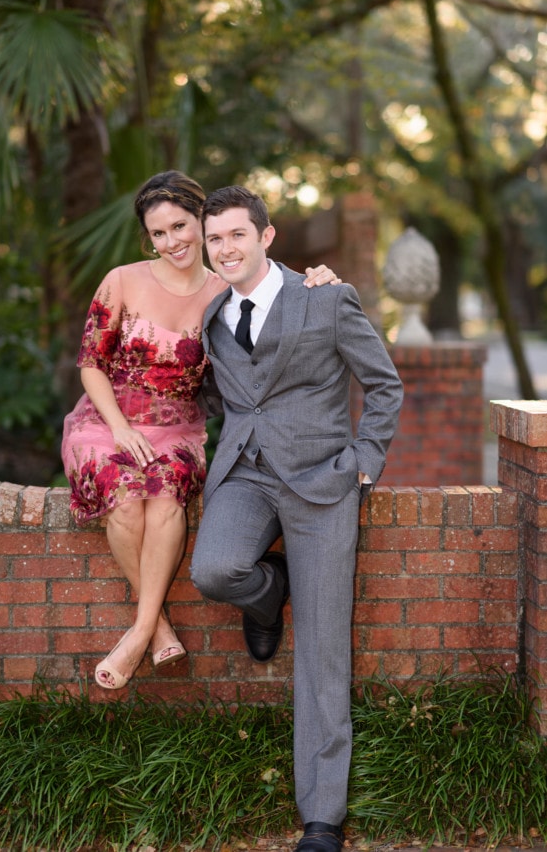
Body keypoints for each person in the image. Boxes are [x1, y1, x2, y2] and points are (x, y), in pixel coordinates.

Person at [61, 170, 340, 691]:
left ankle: (140, 630)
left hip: (178, 427)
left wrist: (320, 279)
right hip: (106, 421)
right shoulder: (121, 280)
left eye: (181, 226)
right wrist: (119, 429)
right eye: (158, 233)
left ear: (202, 221)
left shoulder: (225, 292)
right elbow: (90, 363)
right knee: (124, 501)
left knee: (165, 502)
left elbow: (280, 297)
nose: (172, 242)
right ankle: (155, 627)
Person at [190, 186, 403, 852]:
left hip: (322, 481)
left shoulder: (325, 298)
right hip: (247, 474)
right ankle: (264, 590)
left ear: (266, 237)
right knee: (215, 569)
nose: (224, 249)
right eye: (214, 239)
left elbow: (384, 383)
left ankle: (321, 816)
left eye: (235, 236)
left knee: (321, 647)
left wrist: (363, 461)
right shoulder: (213, 316)